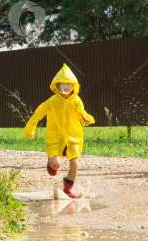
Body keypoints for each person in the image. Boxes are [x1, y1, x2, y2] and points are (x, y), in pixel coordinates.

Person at [22, 64, 95, 199]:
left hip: (74, 137)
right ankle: (52, 163)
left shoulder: (77, 101)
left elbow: (82, 114)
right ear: (57, 85)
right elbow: (37, 114)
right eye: (62, 84)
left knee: (75, 163)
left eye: (68, 84)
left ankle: (67, 189)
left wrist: (86, 119)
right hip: (55, 138)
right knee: (56, 164)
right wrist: (29, 131)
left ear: (73, 85)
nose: (65, 87)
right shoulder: (52, 101)